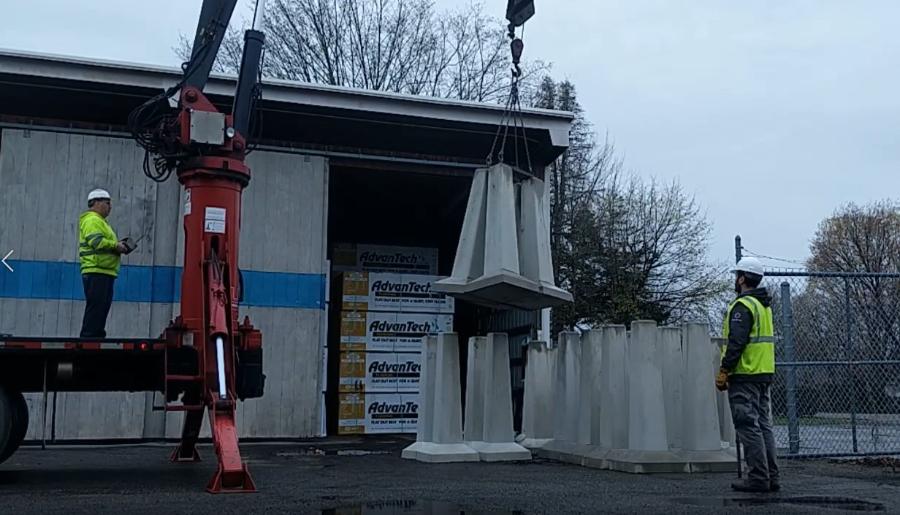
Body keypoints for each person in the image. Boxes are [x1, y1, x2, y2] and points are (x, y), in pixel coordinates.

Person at [716, 256, 780, 493]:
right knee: (763, 426)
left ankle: (758, 478)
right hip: (763, 373)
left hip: (745, 374)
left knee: (748, 426)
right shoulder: (763, 306)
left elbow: (737, 342)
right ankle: (771, 476)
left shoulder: (743, 306)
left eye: (737, 276)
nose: (735, 280)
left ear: (742, 278)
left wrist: (725, 369)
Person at [78, 189, 129, 338]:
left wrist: (117, 246)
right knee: (97, 307)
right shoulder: (92, 220)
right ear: (96, 203)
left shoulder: (100, 222)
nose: (110, 206)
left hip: (103, 271)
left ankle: (96, 335)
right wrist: (116, 246)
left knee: (101, 308)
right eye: (107, 203)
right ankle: (89, 337)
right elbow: (96, 242)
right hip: (96, 271)